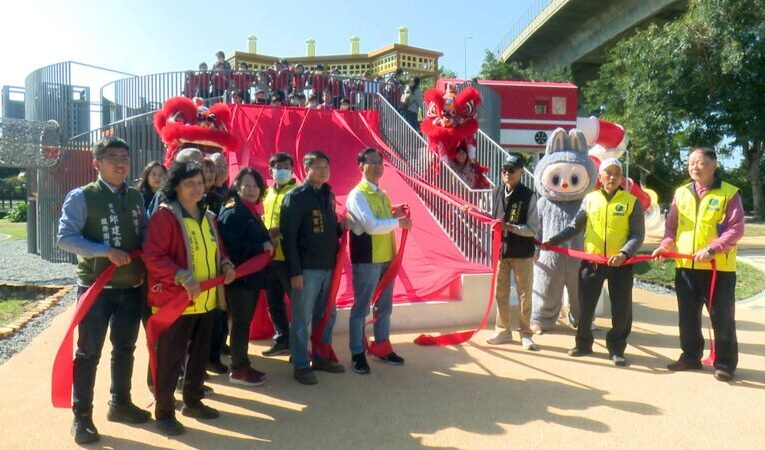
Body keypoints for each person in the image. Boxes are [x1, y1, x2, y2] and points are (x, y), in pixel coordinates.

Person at [57, 136, 150, 444]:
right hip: (97, 287)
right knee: (88, 353)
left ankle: (120, 403)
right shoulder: (82, 196)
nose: (121, 162)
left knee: (125, 348)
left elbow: (145, 231)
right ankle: (81, 417)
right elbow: (65, 238)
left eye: (125, 156)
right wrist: (105, 250)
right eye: (113, 157)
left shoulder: (136, 196)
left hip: (132, 285)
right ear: (97, 163)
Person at [143, 161, 236, 436]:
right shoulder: (166, 216)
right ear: (176, 187)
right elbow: (154, 256)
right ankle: (163, 412)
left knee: (199, 354)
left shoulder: (207, 217)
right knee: (171, 358)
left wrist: (227, 264)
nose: (197, 187)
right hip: (177, 302)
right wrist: (181, 274)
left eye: (199, 182)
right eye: (189, 183)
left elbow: (218, 248)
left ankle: (193, 401)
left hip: (206, 299)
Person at [652, 147, 743, 381]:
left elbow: (736, 229)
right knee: (687, 316)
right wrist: (666, 245)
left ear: (714, 164)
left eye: (700, 162)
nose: (694, 167)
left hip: (718, 269)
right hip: (686, 266)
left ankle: (725, 363)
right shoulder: (681, 193)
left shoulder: (729, 193)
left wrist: (713, 249)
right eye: (691, 162)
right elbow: (671, 227)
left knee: (721, 317)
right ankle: (690, 356)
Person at [545, 158, 645, 366]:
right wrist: (553, 241)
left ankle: (617, 348)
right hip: (592, 263)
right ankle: (583, 344)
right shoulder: (589, 200)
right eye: (607, 173)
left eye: (616, 173)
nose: (612, 177)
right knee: (585, 305)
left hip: (621, 265)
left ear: (621, 178)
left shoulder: (631, 201)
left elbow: (637, 234)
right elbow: (574, 227)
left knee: (622, 309)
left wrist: (625, 253)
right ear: (599, 177)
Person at [280, 151, 349, 385]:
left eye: (326, 166)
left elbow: (326, 231)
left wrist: (341, 228)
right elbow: (288, 239)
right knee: (302, 319)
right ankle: (300, 363)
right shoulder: (296, 197)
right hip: (307, 270)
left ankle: (320, 356)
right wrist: (295, 272)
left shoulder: (327, 195)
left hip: (328, 267)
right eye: (318, 166)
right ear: (306, 168)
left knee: (327, 315)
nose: (323, 170)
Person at [345, 148, 413, 374]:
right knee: (361, 307)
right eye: (371, 162)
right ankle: (357, 353)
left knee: (384, 307)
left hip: (386, 258)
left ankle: (382, 347)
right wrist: (399, 223)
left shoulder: (382, 194)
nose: (376, 166)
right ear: (360, 166)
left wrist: (394, 213)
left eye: (379, 163)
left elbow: (382, 220)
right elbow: (371, 225)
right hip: (366, 258)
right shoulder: (357, 194)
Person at [464, 153, 539, 350]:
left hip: (522, 252)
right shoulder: (497, 191)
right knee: (501, 292)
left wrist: (509, 227)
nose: (507, 173)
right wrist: (474, 211)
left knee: (525, 294)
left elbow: (533, 229)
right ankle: (503, 330)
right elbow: (491, 217)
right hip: (501, 251)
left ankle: (525, 333)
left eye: (512, 170)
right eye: (504, 169)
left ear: (521, 172)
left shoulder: (529, 196)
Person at [217, 168, 274, 386]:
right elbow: (233, 248)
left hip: (251, 278)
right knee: (240, 324)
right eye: (247, 186)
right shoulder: (233, 211)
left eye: (255, 186)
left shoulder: (249, 209)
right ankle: (238, 369)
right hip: (239, 279)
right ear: (237, 187)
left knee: (244, 323)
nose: (252, 190)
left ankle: (243, 363)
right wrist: (261, 245)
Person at [261, 152, 298, 356]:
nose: (282, 171)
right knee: (274, 301)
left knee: (297, 302)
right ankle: (282, 338)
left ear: (292, 170)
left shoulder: (298, 192)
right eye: (278, 167)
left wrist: (280, 232)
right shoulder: (267, 193)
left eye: (286, 167)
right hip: (270, 257)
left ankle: (299, 345)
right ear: (271, 171)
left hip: (289, 258)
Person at [207, 151, 231, 372]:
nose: (221, 169)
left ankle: (221, 344)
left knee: (224, 309)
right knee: (213, 312)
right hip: (210, 259)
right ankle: (210, 355)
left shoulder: (230, 192)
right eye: (215, 166)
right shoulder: (206, 196)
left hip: (227, 258)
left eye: (224, 164)